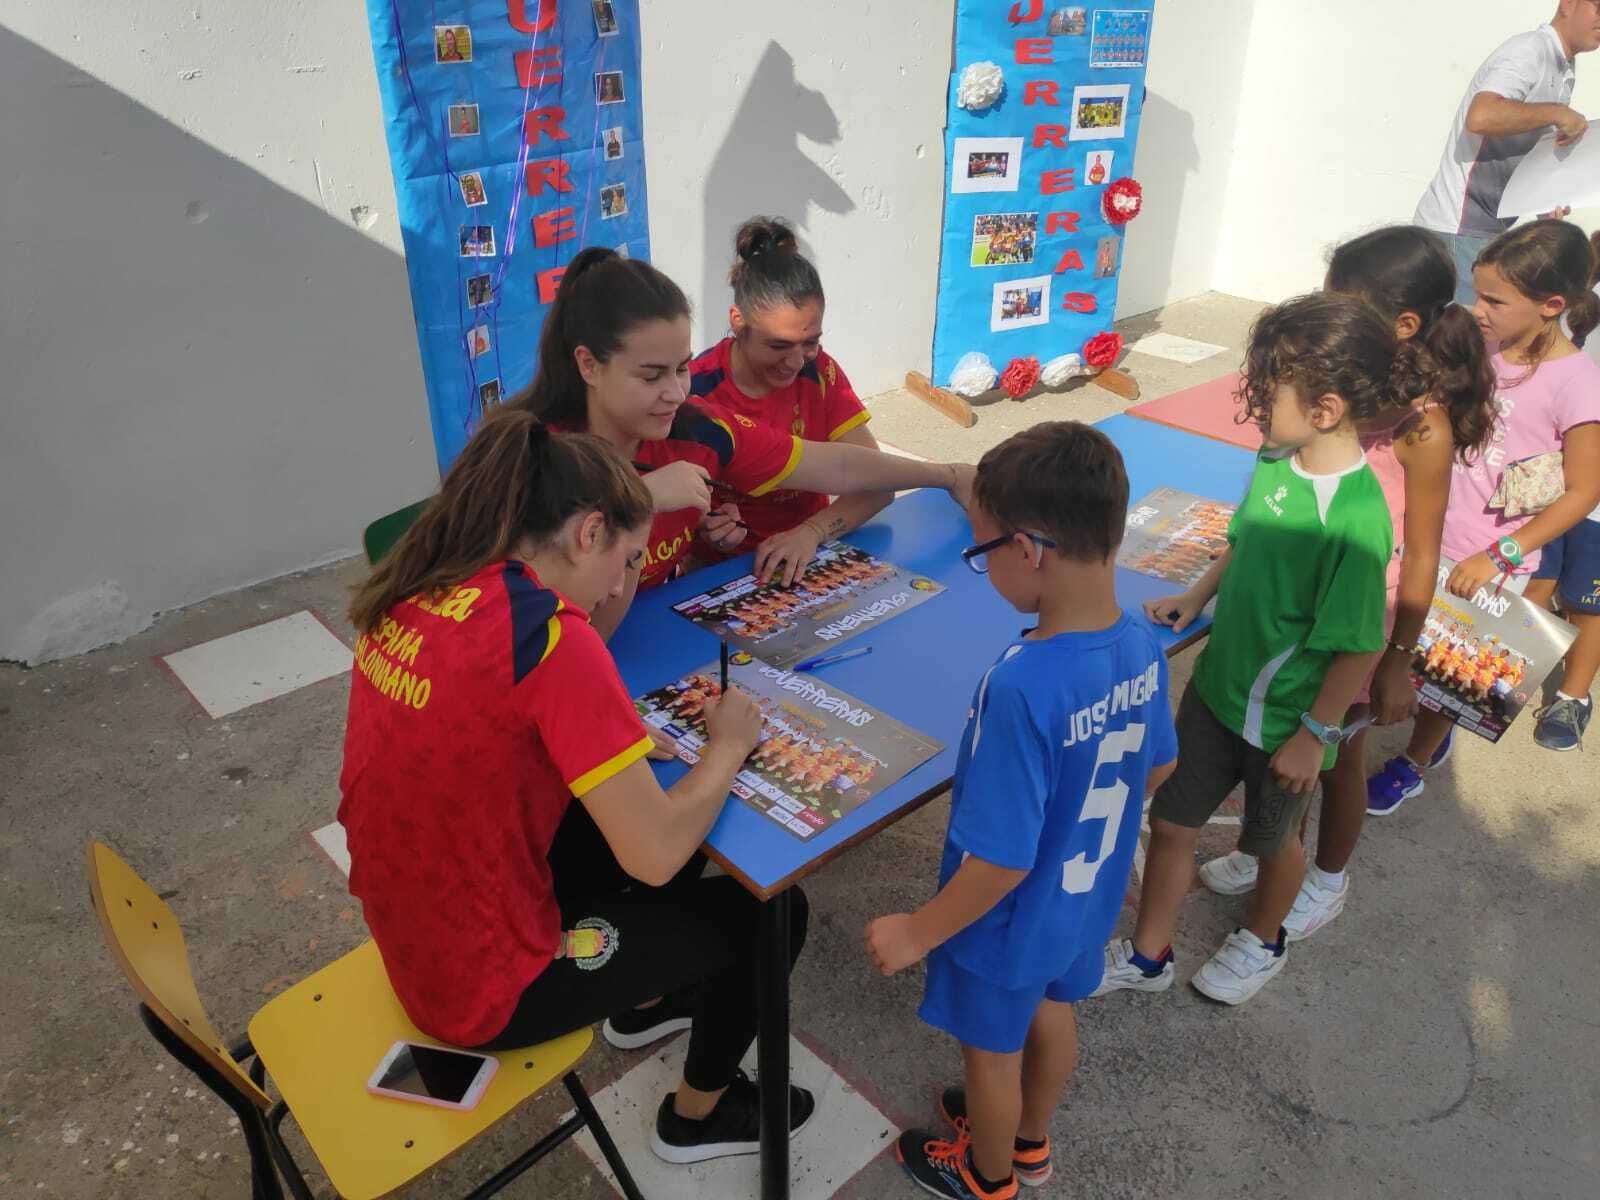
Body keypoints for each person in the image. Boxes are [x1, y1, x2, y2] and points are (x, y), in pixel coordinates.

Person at [338, 408, 816, 1164]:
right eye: (627, 560)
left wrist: (615, 738)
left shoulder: (427, 584)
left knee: (646, 795)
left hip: (415, 925)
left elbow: (483, 726)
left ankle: (647, 999)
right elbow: (654, 855)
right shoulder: (551, 638)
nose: (622, 583)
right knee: (772, 913)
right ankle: (698, 1116)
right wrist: (728, 746)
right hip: (481, 988)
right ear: (589, 533)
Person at [864, 423, 1176, 1200]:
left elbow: (1001, 860)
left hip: (1004, 922)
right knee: (1054, 1008)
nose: (983, 567)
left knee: (991, 1055)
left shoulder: (1023, 688)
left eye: (983, 551)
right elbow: (1160, 763)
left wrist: (918, 931)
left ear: (1028, 550)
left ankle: (989, 1173)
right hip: (1085, 899)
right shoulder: (1142, 643)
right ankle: (1031, 1141)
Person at [1097, 293, 1401, 1006]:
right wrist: (1198, 594)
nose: (1253, 404)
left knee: (1274, 845)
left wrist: (1315, 735)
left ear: (1325, 409)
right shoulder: (1278, 457)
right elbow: (1245, 538)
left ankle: (1264, 939)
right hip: (1216, 690)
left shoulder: (1356, 522)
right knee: (1171, 821)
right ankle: (1148, 954)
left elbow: (1359, 646)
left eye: (1268, 391)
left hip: (1287, 720)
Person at [1196, 226, 1496, 934]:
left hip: (1359, 622)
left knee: (1336, 756)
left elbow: (1421, 555)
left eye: (1342, 304)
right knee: (1278, 744)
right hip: (1295, 612)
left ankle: (1326, 878)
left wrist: (1397, 660)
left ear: (1403, 325)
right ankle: (1271, 847)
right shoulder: (1330, 393)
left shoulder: (1421, 429)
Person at [508, 248, 974, 636]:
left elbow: (839, 466)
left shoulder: (699, 428)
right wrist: (637, 505)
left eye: (682, 368)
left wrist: (948, 475)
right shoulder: (536, 460)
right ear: (589, 366)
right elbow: (572, 636)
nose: (676, 392)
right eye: (651, 376)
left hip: (655, 634)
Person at [1370, 219, 1600, 788]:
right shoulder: (1482, 348)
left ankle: (1416, 760)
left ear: (1551, 305)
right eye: (1478, 294)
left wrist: (1501, 554)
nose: (1478, 310)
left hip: (1490, 559)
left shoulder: (1579, 383)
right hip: (1426, 532)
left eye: (1495, 301)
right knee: (1398, 643)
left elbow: (1586, 490)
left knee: (1453, 676)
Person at [689, 216, 893, 585]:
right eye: (778, 345)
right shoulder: (694, 390)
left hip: (808, 558)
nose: (797, 362)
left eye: (811, 342)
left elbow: (877, 484)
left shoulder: (820, 372)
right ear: (737, 321)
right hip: (720, 574)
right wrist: (699, 527)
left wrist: (812, 532)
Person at [1414, 2, 1600, 304]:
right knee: (1465, 333)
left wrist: (1546, 198)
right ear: (1568, 3)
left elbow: (1524, 142)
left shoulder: (1563, 66)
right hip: (1456, 229)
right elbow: (1481, 116)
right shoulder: (1530, 50)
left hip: (1484, 232)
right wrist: (1557, 112)